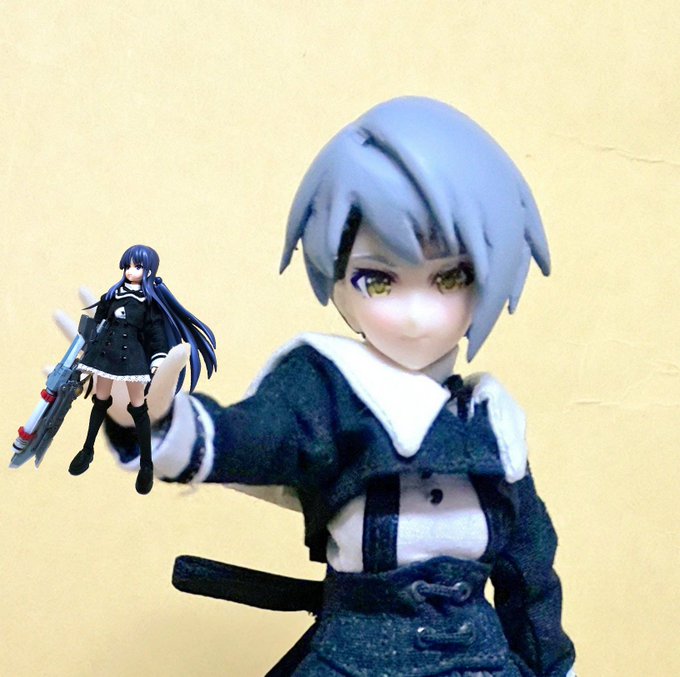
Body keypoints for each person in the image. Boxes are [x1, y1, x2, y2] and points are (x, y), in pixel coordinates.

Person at [106, 98, 576, 675]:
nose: (415, 315)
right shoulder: (328, 391)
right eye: (378, 280)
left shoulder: (490, 422)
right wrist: (155, 422)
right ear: (337, 280)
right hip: (353, 659)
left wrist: (552, 666)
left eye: (449, 278)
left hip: (479, 662)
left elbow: (530, 573)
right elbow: (255, 436)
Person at [69, 244, 216, 494]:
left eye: (137, 266)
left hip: (132, 358)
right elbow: (97, 322)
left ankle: (146, 464)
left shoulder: (148, 303)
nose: (130, 271)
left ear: (148, 270)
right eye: (127, 266)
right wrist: (84, 350)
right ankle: (87, 450)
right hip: (106, 355)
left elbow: (156, 334)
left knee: (138, 408)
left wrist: (158, 359)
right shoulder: (112, 295)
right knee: (100, 402)